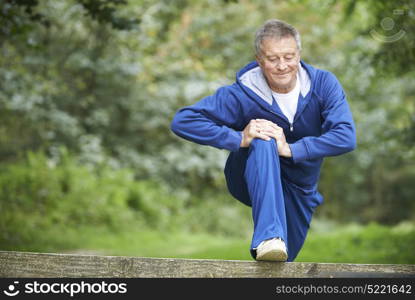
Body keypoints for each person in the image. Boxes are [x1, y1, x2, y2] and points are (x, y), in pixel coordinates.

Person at [170, 19, 356, 262]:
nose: (282, 66)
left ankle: (272, 244)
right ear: (259, 59)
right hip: (250, 176)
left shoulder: (323, 85)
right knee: (264, 134)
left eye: (289, 57)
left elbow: (345, 136)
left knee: (279, 263)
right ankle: (268, 236)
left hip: (299, 187)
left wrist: (290, 149)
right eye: (272, 58)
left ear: (299, 54)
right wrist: (238, 138)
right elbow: (184, 120)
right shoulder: (242, 93)